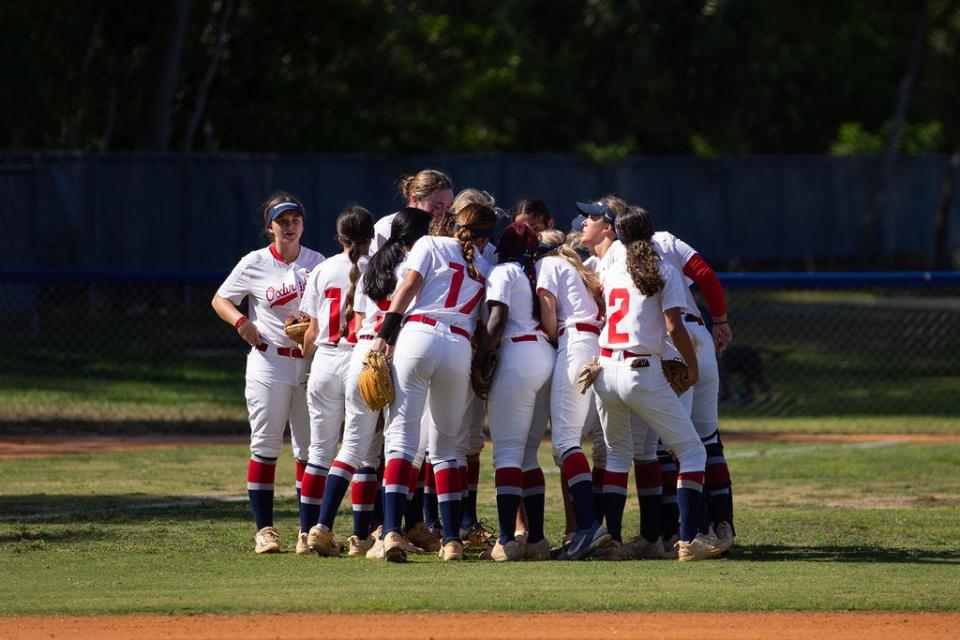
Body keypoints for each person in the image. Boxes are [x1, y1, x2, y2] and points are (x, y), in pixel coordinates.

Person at [591, 205, 724, 562]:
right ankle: (689, 539)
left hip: (605, 368)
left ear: (619, 234)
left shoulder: (613, 267)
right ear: (651, 234)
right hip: (640, 370)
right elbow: (673, 327)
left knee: (619, 455)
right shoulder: (661, 267)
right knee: (693, 452)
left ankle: (613, 541)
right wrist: (692, 368)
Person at [370, 203, 497, 562]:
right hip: (458, 346)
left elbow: (408, 285)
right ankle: (452, 539)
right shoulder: (486, 266)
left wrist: (384, 335)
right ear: (486, 236)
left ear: (456, 223)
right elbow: (486, 324)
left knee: (402, 438)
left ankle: (392, 532)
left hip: (418, 335)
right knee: (447, 448)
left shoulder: (429, 244)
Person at [308, 207, 433, 559]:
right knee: (400, 444)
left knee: (351, 447)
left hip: (360, 355)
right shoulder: (412, 268)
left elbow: (361, 319)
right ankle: (388, 534)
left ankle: (322, 527)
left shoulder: (369, 266)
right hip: (395, 352)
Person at [211, 192, 324, 554]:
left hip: (309, 361)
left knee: (309, 448)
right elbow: (220, 299)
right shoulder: (255, 262)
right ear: (269, 227)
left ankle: (307, 532)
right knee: (265, 445)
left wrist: (312, 327)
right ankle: (265, 530)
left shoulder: (317, 262)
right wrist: (241, 321)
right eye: (282, 221)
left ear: (303, 224)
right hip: (268, 361)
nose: (289, 226)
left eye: (295, 220)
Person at [473, 222, 556, 561]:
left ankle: (507, 540)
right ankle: (536, 539)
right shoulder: (533, 270)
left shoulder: (504, 270)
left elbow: (497, 320)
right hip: (543, 356)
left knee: (507, 454)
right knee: (527, 456)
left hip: (517, 356)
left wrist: (479, 362)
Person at [295, 205, 375, 556]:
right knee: (364, 453)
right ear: (371, 237)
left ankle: (303, 533)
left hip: (325, 359)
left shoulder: (323, 268)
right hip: (361, 359)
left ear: (339, 237)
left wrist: (306, 353)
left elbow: (309, 331)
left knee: (319, 452)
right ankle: (355, 535)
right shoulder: (381, 267)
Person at [534, 228, 612, 560]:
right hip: (597, 345)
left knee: (566, 440)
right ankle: (599, 527)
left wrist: (544, 341)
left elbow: (550, 316)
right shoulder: (581, 269)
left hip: (575, 343)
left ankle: (588, 526)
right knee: (600, 443)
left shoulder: (547, 265)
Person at [370, 169, 453, 254]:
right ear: (415, 199)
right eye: (437, 207)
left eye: (448, 207)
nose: (444, 214)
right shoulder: (387, 228)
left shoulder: (449, 232)